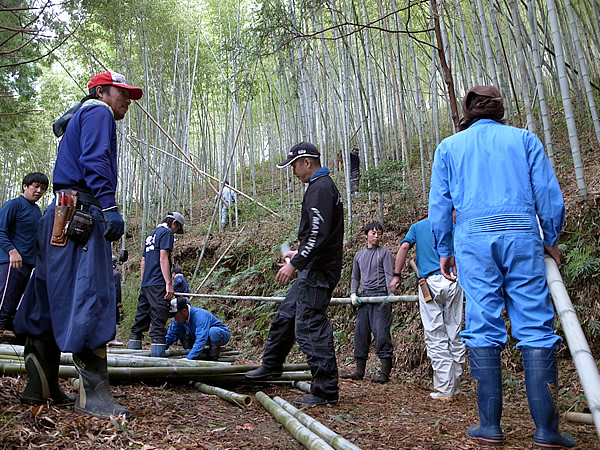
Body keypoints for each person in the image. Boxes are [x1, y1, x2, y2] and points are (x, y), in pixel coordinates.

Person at [428, 85, 573, 447]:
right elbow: (549, 195)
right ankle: (546, 430)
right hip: (523, 236)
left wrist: (444, 249)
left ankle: (489, 426)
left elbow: (440, 206)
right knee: (536, 326)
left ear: (467, 111)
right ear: (498, 109)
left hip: (473, 241)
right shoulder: (525, 139)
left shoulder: (449, 147)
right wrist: (550, 238)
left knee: (481, 322)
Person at [14, 71, 143, 417]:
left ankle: (39, 386)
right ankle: (94, 397)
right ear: (102, 91)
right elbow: (95, 159)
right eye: (122, 93)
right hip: (82, 213)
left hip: (58, 213)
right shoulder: (99, 112)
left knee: (46, 294)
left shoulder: (79, 116)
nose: (128, 100)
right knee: (90, 294)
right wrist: (109, 205)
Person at [245, 141, 344, 406]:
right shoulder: (320, 187)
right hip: (313, 265)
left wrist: (295, 263)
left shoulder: (321, 188)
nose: (293, 172)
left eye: (294, 166)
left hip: (319, 270)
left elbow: (318, 234)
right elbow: (318, 234)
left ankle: (325, 390)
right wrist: (297, 254)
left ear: (307, 162)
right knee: (287, 315)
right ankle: (272, 365)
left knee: (309, 325)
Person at [390, 216, 465, 400]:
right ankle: (454, 385)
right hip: (454, 280)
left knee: (435, 334)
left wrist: (396, 275)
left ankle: (445, 388)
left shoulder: (418, 227)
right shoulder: (452, 225)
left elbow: (404, 247)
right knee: (454, 331)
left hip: (429, 282)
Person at [342, 222, 394, 383]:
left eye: (379, 233)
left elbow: (388, 274)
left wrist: (390, 295)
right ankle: (359, 371)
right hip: (364, 298)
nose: (376, 236)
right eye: (373, 233)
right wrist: (353, 293)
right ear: (366, 235)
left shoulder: (384, 253)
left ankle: (384, 374)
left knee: (381, 333)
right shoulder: (359, 255)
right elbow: (355, 277)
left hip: (380, 297)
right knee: (360, 334)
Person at [128, 212, 185, 357]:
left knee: (140, 320)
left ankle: (132, 355)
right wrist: (168, 283)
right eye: (177, 229)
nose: (176, 232)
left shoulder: (150, 235)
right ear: (174, 224)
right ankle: (157, 360)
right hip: (159, 283)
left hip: (147, 283)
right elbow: (163, 258)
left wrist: (144, 282)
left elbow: (143, 262)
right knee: (159, 320)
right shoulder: (166, 233)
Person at [0, 172, 48, 331]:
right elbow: (1, 231)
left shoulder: (37, 211)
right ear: (25, 186)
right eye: (36, 186)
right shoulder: (14, 204)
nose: (39, 191)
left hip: (28, 263)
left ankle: (7, 334)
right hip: (10, 262)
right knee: (5, 299)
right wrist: (12, 251)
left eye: (43, 188)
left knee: (15, 300)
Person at [165, 297, 230, 360]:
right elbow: (171, 335)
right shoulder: (178, 321)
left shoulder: (200, 316)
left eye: (175, 315)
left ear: (184, 311)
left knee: (213, 331)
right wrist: (161, 348)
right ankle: (192, 353)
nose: (174, 319)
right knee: (183, 334)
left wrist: (188, 358)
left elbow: (201, 338)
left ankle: (213, 357)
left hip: (220, 335)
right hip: (198, 336)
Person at [107, 256, 124, 346]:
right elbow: (117, 289)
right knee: (115, 319)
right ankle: (112, 339)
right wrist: (119, 301)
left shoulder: (103, 273)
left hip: (103, 299)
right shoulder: (116, 274)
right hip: (112, 300)